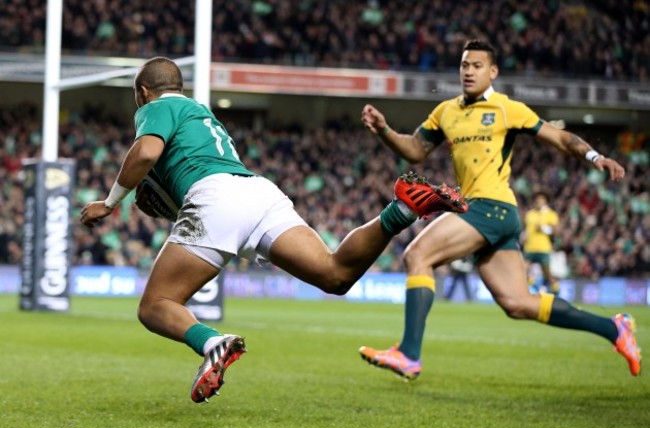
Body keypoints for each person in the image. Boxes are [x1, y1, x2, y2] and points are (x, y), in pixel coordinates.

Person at [80, 57, 467, 403]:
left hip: (216, 197)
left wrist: (110, 202)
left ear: (142, 91)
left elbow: (147, 153)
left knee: (154, 306)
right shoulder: (199, 112)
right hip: (257, 191)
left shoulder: (158, 105)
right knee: (335, 275)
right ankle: (401, 209)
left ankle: (214, 344)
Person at [358, 40, 641, 380]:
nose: (468, 71)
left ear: (492, 72)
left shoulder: (508, 109)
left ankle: (408, 354)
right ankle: (615, 328)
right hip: (494, 215)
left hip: (489, 206)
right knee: (518, 303)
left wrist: (595, 157)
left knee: (418, 254)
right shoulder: (446, 111)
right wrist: (384, 131)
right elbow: (415, 150)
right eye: (464, 65)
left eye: (477, 66)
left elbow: (560, 138)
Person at [523, 191, 560, 294]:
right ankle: (534, 286)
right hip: (529, 248)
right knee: (522, 271)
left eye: (541, 200)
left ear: (546, 201)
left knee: (548, 275)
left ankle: (556, 292)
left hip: (543, 248)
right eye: (537, 200)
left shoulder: (551, 214)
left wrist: (544, 228)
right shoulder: (529, 214)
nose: (539, 201)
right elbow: (526, 229)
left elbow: (556, 231)